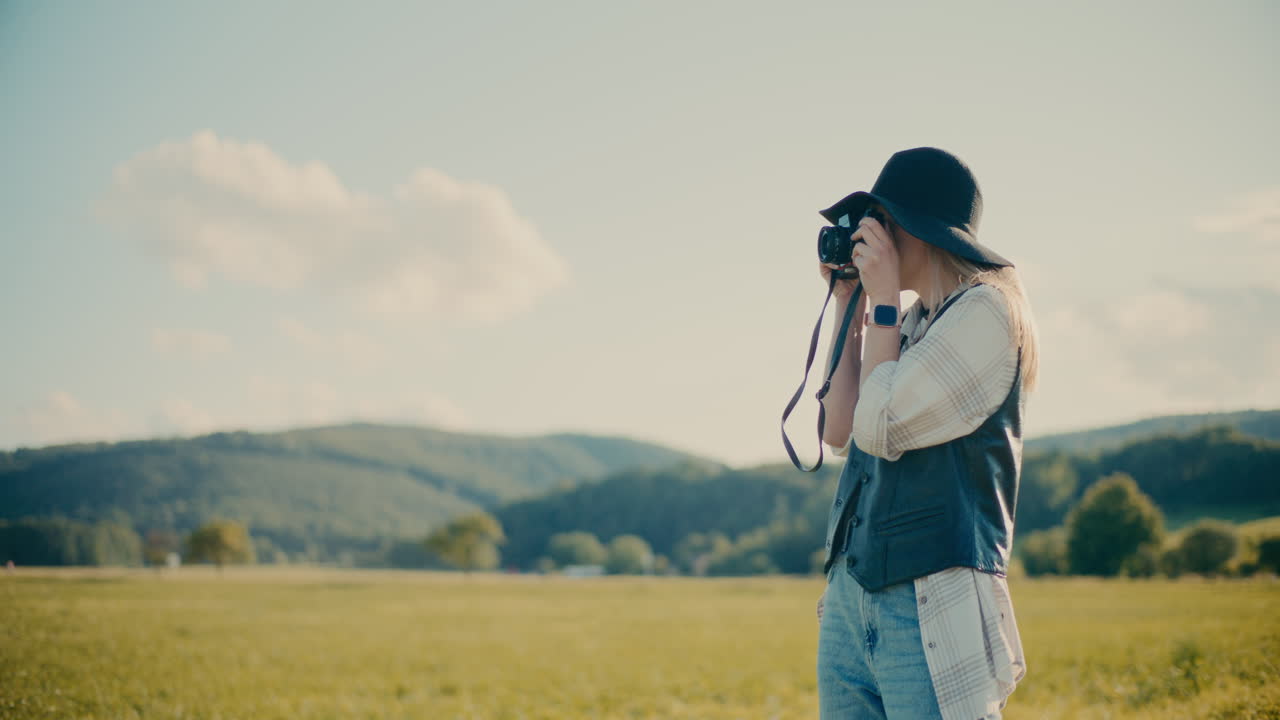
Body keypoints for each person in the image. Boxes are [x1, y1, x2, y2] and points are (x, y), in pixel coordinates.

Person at [812, 147, 1038, 720]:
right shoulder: (912, 324)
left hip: (929, 601)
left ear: (921, 229)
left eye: (881, 221)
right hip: (850, 597)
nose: (870, 238)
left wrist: (883, 299)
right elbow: (840, 429)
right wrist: (849, 303)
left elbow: (880, 425)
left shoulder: (986, 314)